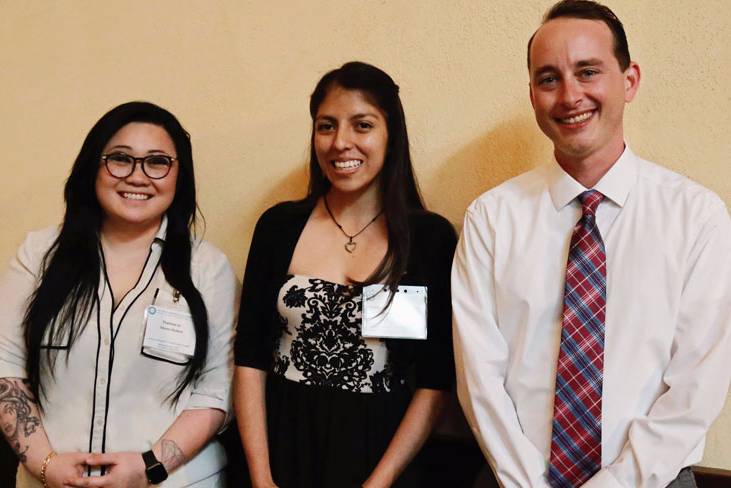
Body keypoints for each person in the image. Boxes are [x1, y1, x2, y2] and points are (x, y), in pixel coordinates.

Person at [452, 1, 731, 487]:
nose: (569, 95)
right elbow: (480, 381)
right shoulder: (490, 219)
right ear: (533, 94)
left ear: (629, 81)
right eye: (548, 78)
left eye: (588, 71)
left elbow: (696, 385)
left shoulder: (697, 217)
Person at [233, 61, 456, 488]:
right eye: (326, 126)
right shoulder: (279, 226)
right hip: (281, 446)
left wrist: (380, 481)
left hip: (380, 456)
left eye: (362, 125)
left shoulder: (428, 238)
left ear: (391, 134)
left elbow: (435, 380)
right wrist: (261, 478)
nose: (341, 143)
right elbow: (250, 357)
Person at [0, 101, 238, 487]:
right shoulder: (38, 255)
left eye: (157, 162)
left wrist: (150, 467)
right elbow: (5, 364)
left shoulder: (208, 269)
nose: (138, 176)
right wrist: (45, 464)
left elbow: (218, 387)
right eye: (120, 159)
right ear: (93, 166)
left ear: (180, 175)